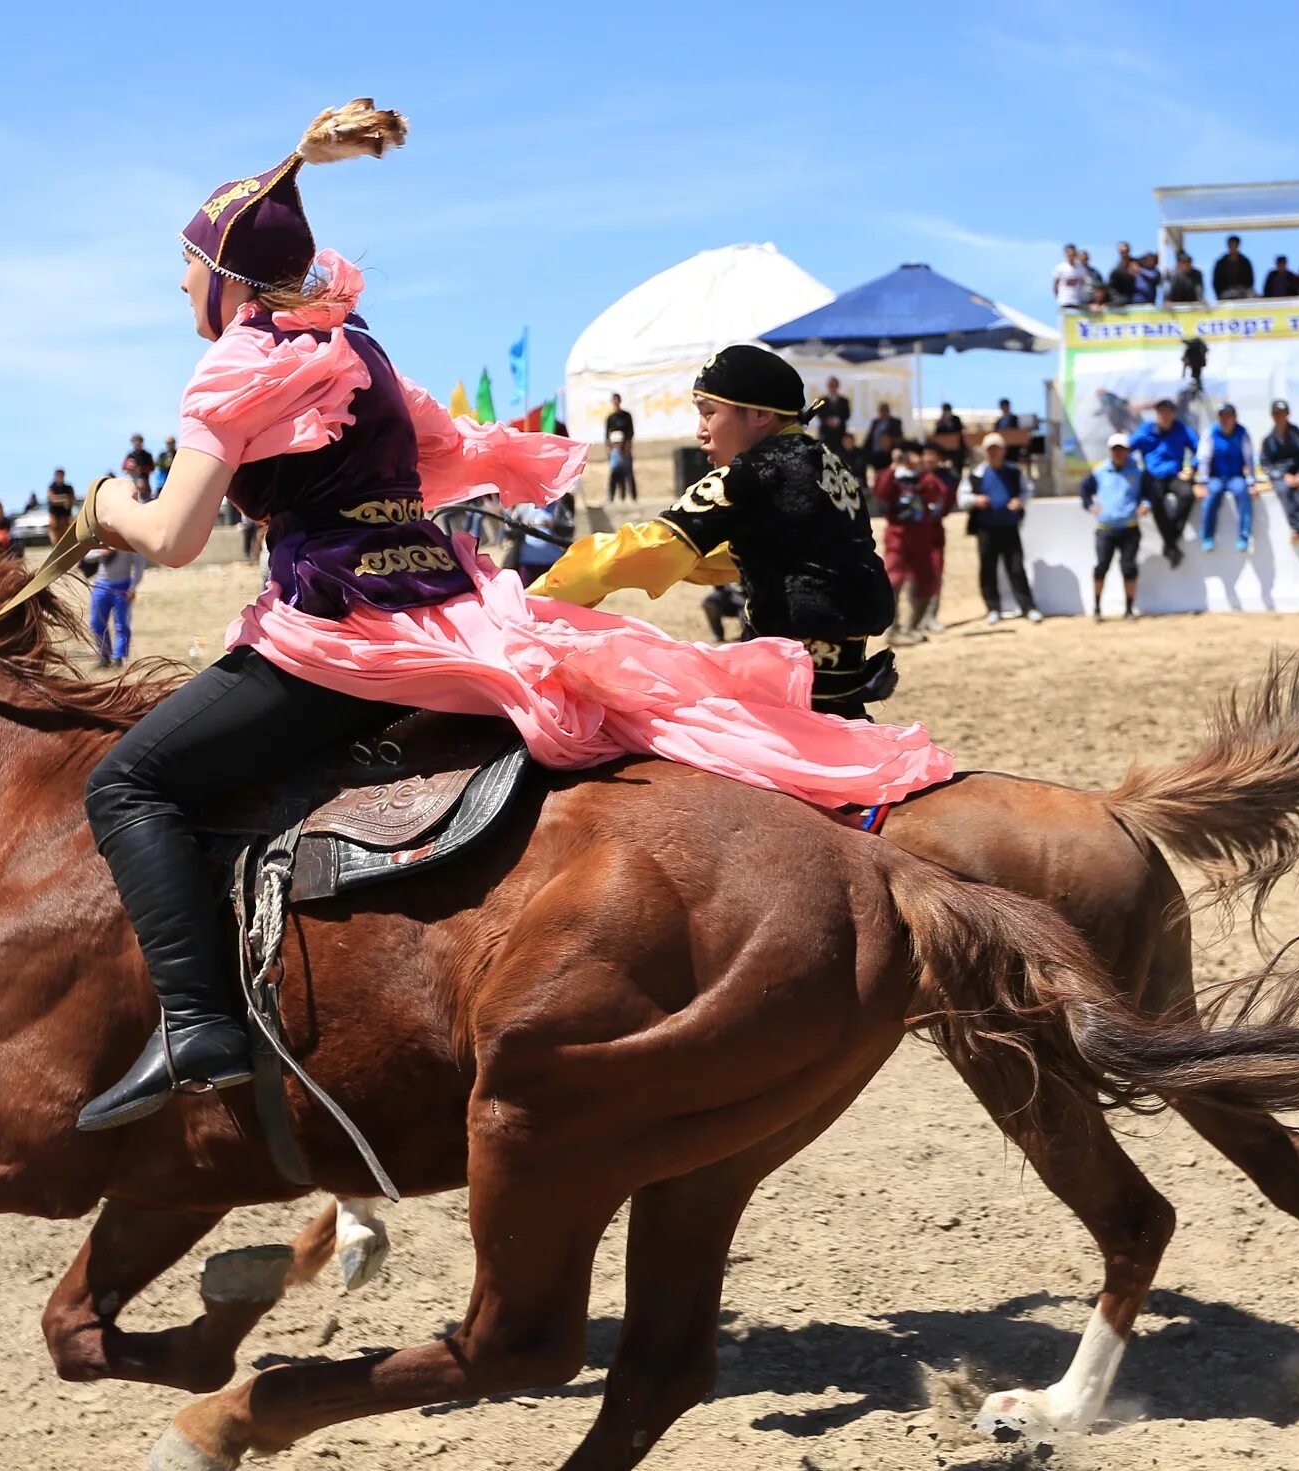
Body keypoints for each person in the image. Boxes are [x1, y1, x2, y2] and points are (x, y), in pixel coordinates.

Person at [73, 102, 951, 1131]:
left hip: (335, 638)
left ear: (223, 277)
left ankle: (196, 1023)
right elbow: (436, 451)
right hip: (436, 612)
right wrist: (295, 164)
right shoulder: (352, 341)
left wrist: (105, 508)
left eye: (187, 266)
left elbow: (175, 536)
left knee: (125, 781)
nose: (179, 283)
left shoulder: (238, 362)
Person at [539, 342, 903, 714]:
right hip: (844, 692)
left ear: (761, 413)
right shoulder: (826, 463)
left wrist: (533, 601)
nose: (700, 432)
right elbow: (764, 556)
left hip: (784, 702)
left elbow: (646, 550)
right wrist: (683, 561)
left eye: (709, 413)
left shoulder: (751, 473)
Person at [877, 440, 956, 643]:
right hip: (897, 535)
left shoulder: (925, 479)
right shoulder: (895, 478)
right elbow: (880, 492)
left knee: (926, 579)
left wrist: (922, 470)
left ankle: (914, 626)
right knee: (894, 579)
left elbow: (940, 492)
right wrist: (893, 467)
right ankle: (893, 629)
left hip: (922, 535)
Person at [959, 432, 1040, 625]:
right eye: (990, 449)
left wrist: (1019, 501)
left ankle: (1028, 607)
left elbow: (1027, 489)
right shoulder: (976, 474)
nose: (994, 453)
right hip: (986, 529)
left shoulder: (1014, 472)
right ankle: (993, 608)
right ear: (985, 452)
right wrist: (975, 500)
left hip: (1009, 527)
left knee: (1016, 568)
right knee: (988, 569)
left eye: (997, 449)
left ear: (1004, 451)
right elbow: (961, 498)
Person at [1080, 434, 1144, 622]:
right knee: (1101, 567)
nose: (1118, 453)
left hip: (1129, 527)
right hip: (1105, 528)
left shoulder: (1137, 472)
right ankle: (1097, 608)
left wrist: (1146, 504)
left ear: (1127, 451)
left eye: (1122, 449)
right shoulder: (1099, 470)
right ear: (1110, 451)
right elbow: (1084, 490)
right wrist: (1091, 506)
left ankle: (1129, 609)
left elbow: (1148, 493)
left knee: (1129, 568)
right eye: (1115, 449)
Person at [1129, 399, 1200, 566]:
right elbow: (1127, 449)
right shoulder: (1145, 429)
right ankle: (1171, 544)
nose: (1165, 416)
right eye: (1161, 412)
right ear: (1156, 414)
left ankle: (1170, 542)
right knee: (1156, 499)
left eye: (1168, 412)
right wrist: (1132, 473)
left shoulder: (1182, 429)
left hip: (1175, 474)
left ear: (1174, 414)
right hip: (1153, 476)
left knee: (1187, 495)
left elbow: (1201, 449)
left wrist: (1192, 468)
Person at [1198, 403, 1257, 554]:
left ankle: (1244, 536)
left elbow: (1249, 459)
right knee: (1212, 494)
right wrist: (1203, 482)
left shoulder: (1242, 433)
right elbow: (1204, 458)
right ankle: (1207, 536)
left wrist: (1251, 482)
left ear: (1235, 418)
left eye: (1229, 416)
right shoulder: (1211, 432)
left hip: (1235, 476)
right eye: (1222, 416)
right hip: (1216, 476)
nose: (1225, 420)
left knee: (1242, 492)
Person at [1260, 399, 1299, 543]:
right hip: (1281, 476)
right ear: (1272, 416)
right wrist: (1282, 476)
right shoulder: (1268, 440)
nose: (1279, 417)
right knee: (1284, 490)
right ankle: (1298, 528)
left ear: (1288, 414)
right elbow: (1266, 464)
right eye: (1276, 414)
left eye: (1282, 414)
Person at [86, 545, 144, 668]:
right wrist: (99, 552)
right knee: (96, 624)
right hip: (101, 586)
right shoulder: (102, 538)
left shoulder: (127, 540)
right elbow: (86, 556)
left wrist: (133, 587)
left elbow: (139, 564)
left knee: (122, 625)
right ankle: (104, 656)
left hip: (122, 587)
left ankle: (119, 657)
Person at [604, 393, 636, 502]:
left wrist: (627, 445)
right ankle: (612, 496)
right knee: (615, 473)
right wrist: (609, 448)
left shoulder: (626, 416)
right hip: (615, 450)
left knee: (628, 473)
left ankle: (632, 496)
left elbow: (630, 432)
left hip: (625, 448)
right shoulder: (610, 418)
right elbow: (607, 434)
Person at [813, 376, 852, 452]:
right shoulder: (822, 400)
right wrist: (827, 420)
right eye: (830, 386)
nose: (832, 388)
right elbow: (819, 414)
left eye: (834, 386)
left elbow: (847, 415)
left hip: (839, 434)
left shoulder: (844, 401)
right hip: (825, 434)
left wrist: (838, 420)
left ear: (837, 386)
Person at [1212, 235, 1255, 300]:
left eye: (1234, 244)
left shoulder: (1245, 262)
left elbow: (1250, 280)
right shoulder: (1221, 263)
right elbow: (1216, 281)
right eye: (1230, 244)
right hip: (1226, 293)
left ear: (1238, 245)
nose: (1232, 246)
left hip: (1243, 292)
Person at [1051, 244, 1089, 308]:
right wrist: (1058, 297)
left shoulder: (1081, 268)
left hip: (1078, 301)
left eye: (1072, 252)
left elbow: (1084, 282)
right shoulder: (1060, 267)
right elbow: (1055, 284)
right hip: (1065, 301)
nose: (1070, 255)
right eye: (1068, 252)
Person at [47, 467, 77, 542]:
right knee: (56, 538)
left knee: (67, 537)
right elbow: (52, 499)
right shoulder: (52, 487)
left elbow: (72, 499)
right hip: (55, 517)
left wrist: (61, 499)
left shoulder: (68, 487)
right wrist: (64, 498)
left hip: (66, 517)